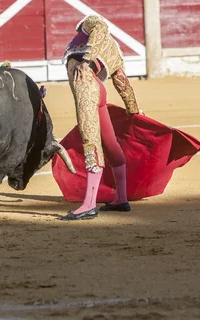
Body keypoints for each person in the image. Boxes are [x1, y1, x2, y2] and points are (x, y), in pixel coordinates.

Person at [59, 15, 142, 221]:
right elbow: (122, 83)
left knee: (91, 141)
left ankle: (89, 205)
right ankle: (121, 198)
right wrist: (134, 110)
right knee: (111, 145)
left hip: (86, 86)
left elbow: (100, 27)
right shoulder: (113, 51)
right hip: (98, 89)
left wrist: (86, 61)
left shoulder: (91, 24)